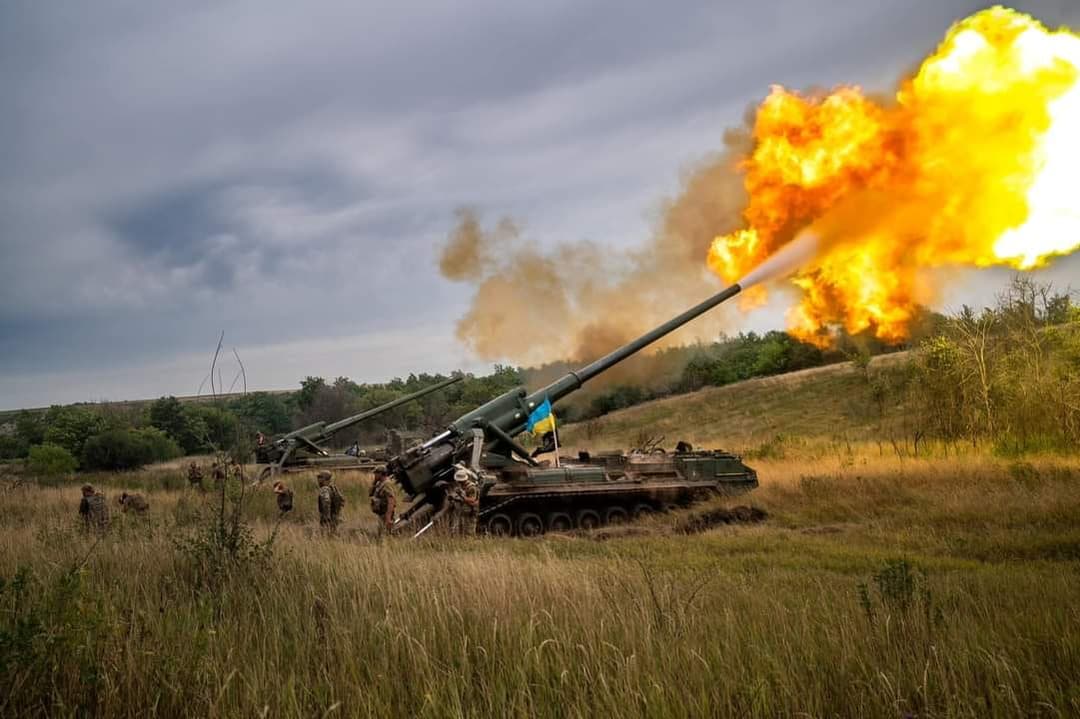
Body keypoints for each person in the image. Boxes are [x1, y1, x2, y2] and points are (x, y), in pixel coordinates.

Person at [448, 464, 480, 536]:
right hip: (464, 512)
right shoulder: (462, 487)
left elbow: (472, 500)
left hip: (471, 513)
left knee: (469, 532)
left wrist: (462, 495)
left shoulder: (471, 487)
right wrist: (454, 498)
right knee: (461, 532)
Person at [368, 467, 396, 535]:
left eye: (376, 473)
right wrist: (374, 482)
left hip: (385, 513)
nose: (375, 475)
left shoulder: (386, 484)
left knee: (386, 533)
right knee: (381, 533)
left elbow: (391, 500)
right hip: (381, 513)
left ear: (381, 473)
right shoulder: (379, 484)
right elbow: (370, 493)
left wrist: (388, 517)